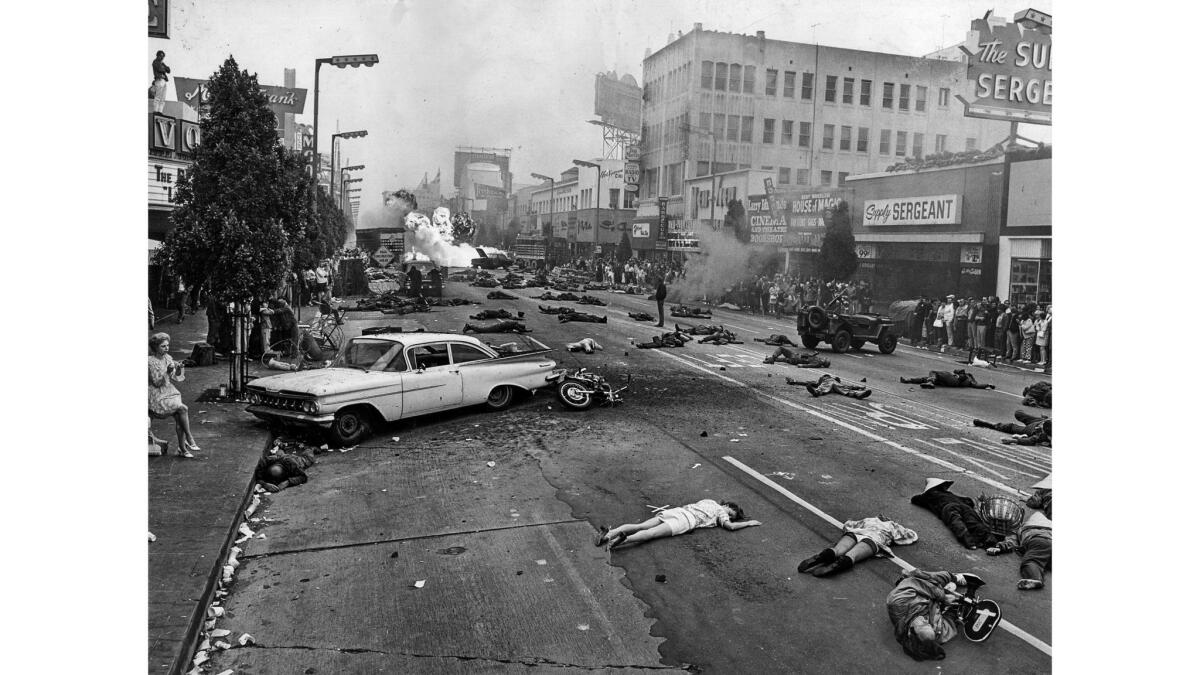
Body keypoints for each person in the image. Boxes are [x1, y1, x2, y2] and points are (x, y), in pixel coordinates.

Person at [594, 499, 760, 551]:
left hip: (677, 511)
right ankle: (624, 540)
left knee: (642, 525)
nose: (728, 517)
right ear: (729, 507)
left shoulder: (709, 500)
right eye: (731, 514)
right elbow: (730, 526)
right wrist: (749, 523)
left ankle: (609, 533)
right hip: (685, 521)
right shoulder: (721, 512)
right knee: (651, 534)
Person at [886, 569, 970, 661]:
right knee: (943, 627)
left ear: (910, 632)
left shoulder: (896, 602)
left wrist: (943, 597)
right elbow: (950, 623)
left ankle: (954, 577)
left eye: (923, 624)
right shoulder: (935, 634)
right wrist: (956, 610)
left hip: (915, 587)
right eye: (927, 624)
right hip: (929, 604)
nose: (924, 620)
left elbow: (915, 583)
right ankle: (943, 593)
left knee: (937, 578)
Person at [796, 516, 918, 577]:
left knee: (837, 549)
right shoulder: (892, 526)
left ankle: (824, 556)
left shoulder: (869, 520)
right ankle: (838, 565)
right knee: (851, 555)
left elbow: (849, 524)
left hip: (857, 533)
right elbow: (911, 536)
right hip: (874, 539)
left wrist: (849, 525)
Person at [148, 333, 200, 458]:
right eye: (163, 346)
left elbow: (175, 378)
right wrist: (168, 371)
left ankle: (183, 448)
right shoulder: (150, 362)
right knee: (183, 409)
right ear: (155, 347)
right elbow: (157, 382)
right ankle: (189, 437)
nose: (166, 348)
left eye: (167, 345)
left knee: (179, 416)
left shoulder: (167, 358)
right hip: (156, 395)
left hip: (169, 392)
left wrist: (177, 369)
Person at [909, 478, 998, 550]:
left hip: (949, 507)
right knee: (975, 523)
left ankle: (970, 543)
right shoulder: (949, 494)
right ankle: (990, 541)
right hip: (964, 506)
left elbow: (915, 499)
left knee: (957, 522)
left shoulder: (928, 496)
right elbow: (969, 501)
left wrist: (924, 493)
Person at [986, 510, 1052, 590]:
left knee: (1032, 561)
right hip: (1047, 541)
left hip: (1039, 540)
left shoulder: (1024, 526)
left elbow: (1011, 541)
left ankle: (1035, 578)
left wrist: (1000, 547)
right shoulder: (1050, 524)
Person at [972, 412, 1051, 446]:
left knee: (1011, 427)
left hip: (1030, 428)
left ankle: (991, 425)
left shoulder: (1041, 434)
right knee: (1018, 413)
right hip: (1039, 421)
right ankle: (1043, 420)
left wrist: (1013, 440)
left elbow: (1031, 440)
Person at [787, 374, 871, 399]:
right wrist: (860, 387)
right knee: (846, 390)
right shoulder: (830, 381)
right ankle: (857, 394)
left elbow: (806, 383)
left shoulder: (831, 381)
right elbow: (850, 386)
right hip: (830, 386)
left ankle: (816, 392)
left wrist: (795, 382)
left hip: (829, 386)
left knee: (844, 388)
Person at [900, 369, 995, 390]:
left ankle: (930, 383)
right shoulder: (970, 382)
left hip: (952, 380)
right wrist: (987, 385)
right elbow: (977, 385)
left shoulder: (966, 375)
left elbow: (958, 371)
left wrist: (957, 374)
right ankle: (909, 380)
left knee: (933, 372)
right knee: (927, 378)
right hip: (950, 383)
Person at [763, 346, 830, 368]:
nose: (824, 358)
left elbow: (810, 365)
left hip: (796, 358)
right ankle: (770, 359)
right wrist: (814, 354)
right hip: (796, 358)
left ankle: (771, 358)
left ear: (825, 362)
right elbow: (809, 358)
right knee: (784, 359)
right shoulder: (818, 360)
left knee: (781, 350)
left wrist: (802, 365)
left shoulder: (818, 363)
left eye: (826, 359)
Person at [463, 320, 531, 333]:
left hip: (498, 326)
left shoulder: (515, 323)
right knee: (484, 330)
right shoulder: (515, 324)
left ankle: (470, 327)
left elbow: (519, 329)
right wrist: (527, 330)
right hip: (498, 327)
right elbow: (520, 330)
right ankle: (470, 326)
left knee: (484, 329)